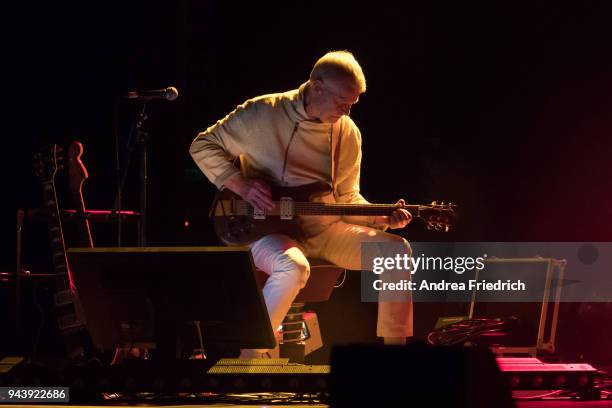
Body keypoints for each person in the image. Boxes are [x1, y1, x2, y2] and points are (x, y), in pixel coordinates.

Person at [190, 50, 413, 357]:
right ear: (316, 86)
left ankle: (397, 358)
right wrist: (240, 184)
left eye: (353, 103)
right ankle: (251, 358)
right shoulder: (263, 112)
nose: (347, 112)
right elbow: (203, 145)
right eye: (341, 102)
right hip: (266, 229)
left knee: (396, 251)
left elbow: (347, 198)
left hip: (326, 231)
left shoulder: (348, 132)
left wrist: (381, 219)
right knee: (293, 267)